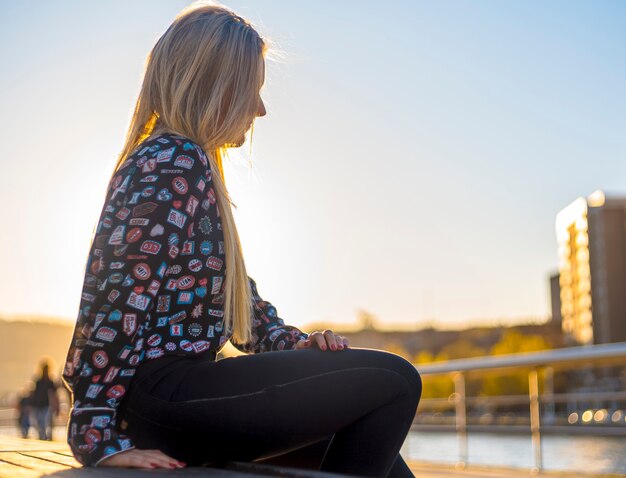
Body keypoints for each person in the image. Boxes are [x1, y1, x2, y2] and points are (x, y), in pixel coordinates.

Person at [60, 2, 422, 476]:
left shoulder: (190, 165)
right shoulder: (173, 161)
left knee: (372, 438)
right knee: (395, 379)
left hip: (173, 397)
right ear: (217, 86)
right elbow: (116, 299)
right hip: (161, 398)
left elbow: (237, 302)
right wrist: (96, 436)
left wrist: (293, 344)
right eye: (253, 90)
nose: (261, 108)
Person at [31, 359, 60, 441]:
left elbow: (54, 394)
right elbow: (34, 394)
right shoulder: (38, 382)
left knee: (45, 421)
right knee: (39, 421)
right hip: (37, 404)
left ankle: (45, 436)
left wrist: (56, 406)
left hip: (46, 405)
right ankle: (42, 435)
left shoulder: (50, 382)